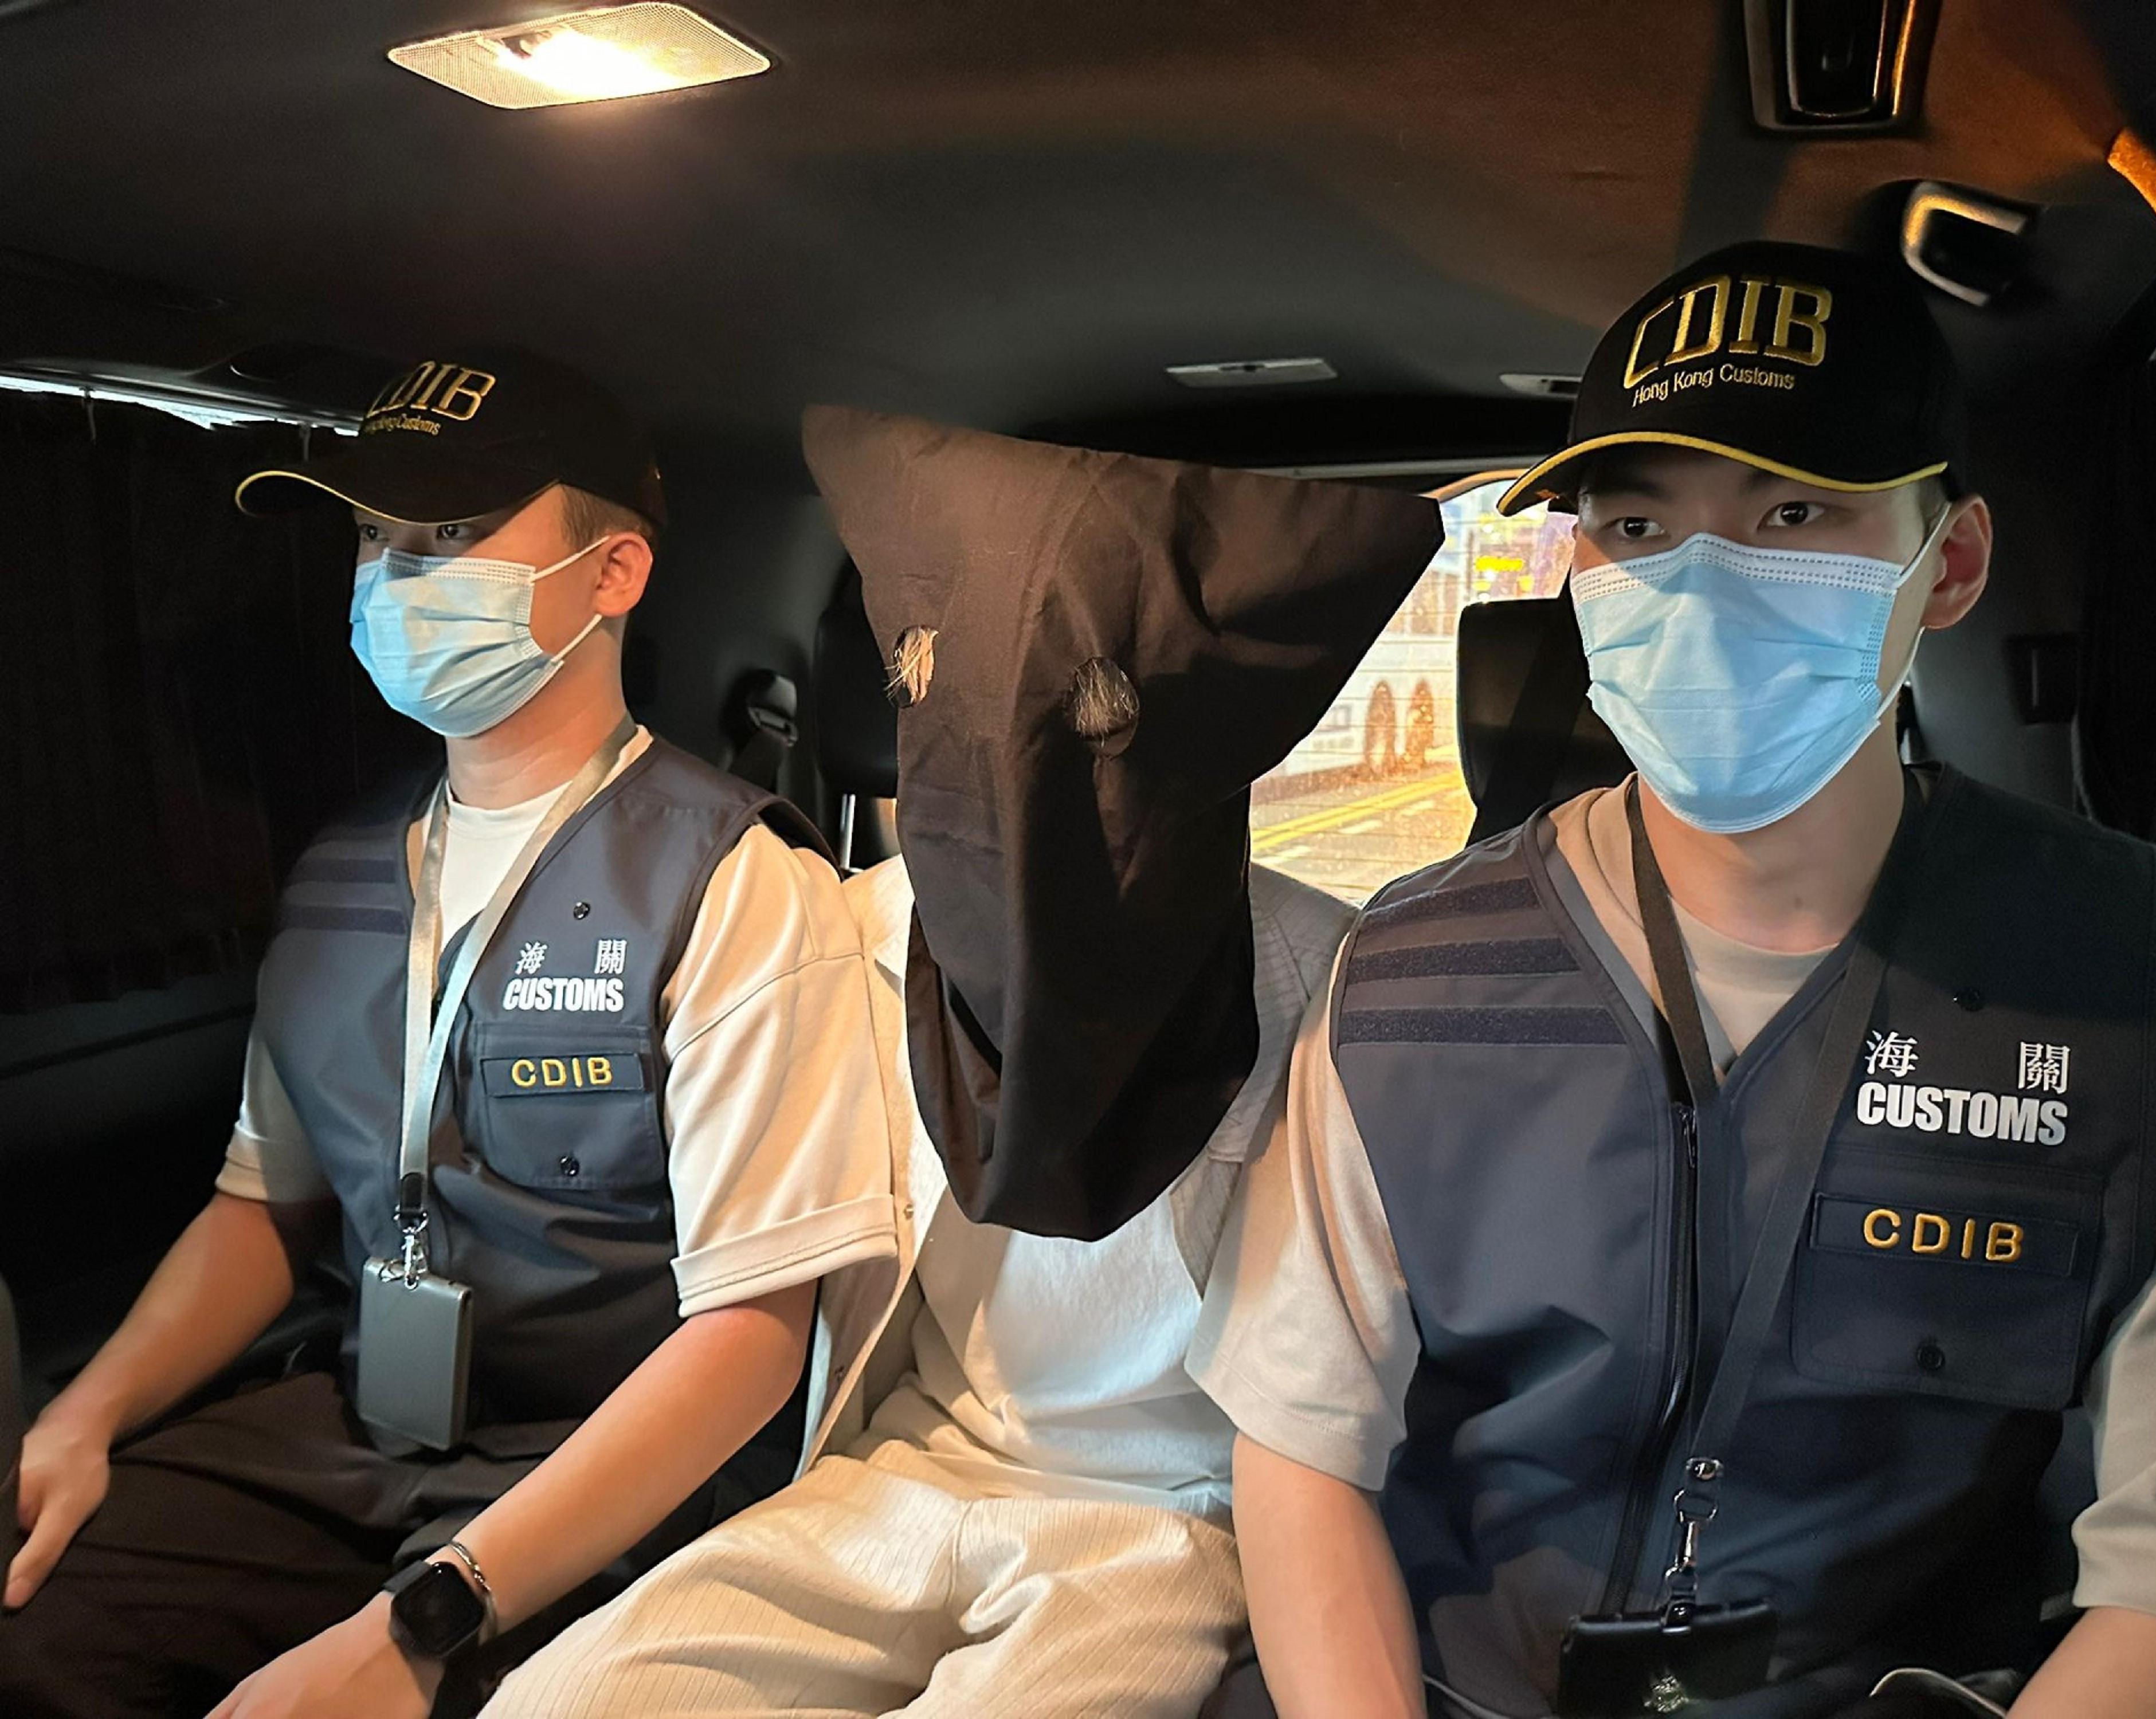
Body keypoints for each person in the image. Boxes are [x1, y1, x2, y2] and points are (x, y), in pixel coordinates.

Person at [1194, 242, 2156, 1718]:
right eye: (1636, 524)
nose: (1699, 585)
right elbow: (1301, 1449)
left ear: (1949, 564)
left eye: (1792, 512)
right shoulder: (1402, 978)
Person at [480, 407, 1445, 1718]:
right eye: (955, 713)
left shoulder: (1322, 984)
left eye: (1090, 726)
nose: (1007, 785)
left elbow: (1304, 1384)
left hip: (1165, 1510)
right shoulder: (848, 931)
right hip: (898, 1468)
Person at [0, 351, 901, 1719]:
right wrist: (84, 1416)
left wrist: (424, 1621)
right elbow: (264, 1206)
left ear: (612, 574)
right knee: (34, 1630)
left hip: (615, 1454)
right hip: (362, 1421)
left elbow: (754, 1335)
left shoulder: (733, 881)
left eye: (450, 534)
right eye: (376, 538)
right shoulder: (339, 872)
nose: (394, 578)